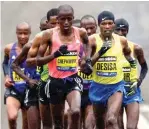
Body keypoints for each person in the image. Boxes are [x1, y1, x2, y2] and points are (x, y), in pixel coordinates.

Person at [28, 4, 92, 129]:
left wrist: (86, 59)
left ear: (73, 18)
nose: (66, 22)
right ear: (58, 19)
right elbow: (39, 60)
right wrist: (56, 54)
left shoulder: (81, 32)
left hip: (73, 79)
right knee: (57, 124)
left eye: (69, 18)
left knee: (75, 112)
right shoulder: (49, 35)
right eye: (63, 19)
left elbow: (87, 44)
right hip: (55, 82)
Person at [88, 11, 137, 129]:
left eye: (110, 23)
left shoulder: (121, 41)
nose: (107, 26)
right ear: (99, 25)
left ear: (114, 24)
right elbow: (86, 65)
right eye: (104, 23)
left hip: (116, 86)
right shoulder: (92, 40)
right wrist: (101, 51)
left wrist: (132, 74)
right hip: (98, 86)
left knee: (111, 119)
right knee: (100, 122)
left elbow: (130, 59)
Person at [114, 18, 148, 129]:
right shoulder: (108, 49)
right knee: (118, 125)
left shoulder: (136, 48)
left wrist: (140, 80)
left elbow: (144, 67)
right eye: (117, 30)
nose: (120, 33)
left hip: (131, 89)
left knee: (132, 127)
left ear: (127, 31)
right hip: (115, 90)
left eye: (123, 30)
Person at [3, 22, 31, 129]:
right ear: (16, 33)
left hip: (28, 89)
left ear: (30, 33)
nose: (23, 36)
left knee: (26, 122)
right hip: (14, 88)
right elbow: (5, 63)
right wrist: (6, 76)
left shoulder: (34, 49)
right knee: (12, 116)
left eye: (25, 33)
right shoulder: (9, 48)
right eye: (20, 33)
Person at [78, 15, 97, 129]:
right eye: (86, 29)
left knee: (89, 126)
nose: (89, 31)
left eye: (92, 28)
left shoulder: (102, 45)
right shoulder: (73, 45)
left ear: (96, 27)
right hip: (76, 91)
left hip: (93, 91)